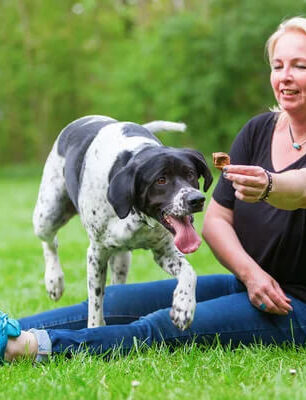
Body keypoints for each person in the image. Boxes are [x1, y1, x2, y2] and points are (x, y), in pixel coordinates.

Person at [2, 16, 306, 363]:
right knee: (117, 303)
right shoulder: (258, 131)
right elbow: (217, 221)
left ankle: (29, 349)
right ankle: (6, 333)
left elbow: (299, 187)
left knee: (161, 327)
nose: (285, 76)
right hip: (247, 283)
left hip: (296, 304)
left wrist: (269, 184)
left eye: (300, 66)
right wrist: (251, 275)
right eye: (278, 65)